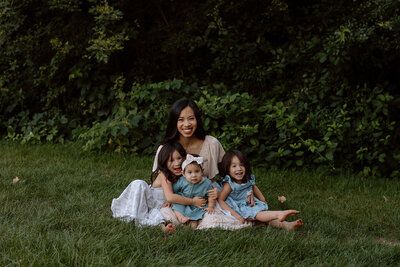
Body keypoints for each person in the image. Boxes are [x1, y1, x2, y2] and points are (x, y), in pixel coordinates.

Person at [154, 98, 251, 230]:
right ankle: (176, 223)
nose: (186, 124)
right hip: (175, 198)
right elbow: (160, 183)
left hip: (206, 196)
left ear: (197, 120)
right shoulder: (166, 149)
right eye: (181, 119)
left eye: (191, 118)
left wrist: (246, 189)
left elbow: (230, 173)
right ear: (174, 122)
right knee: (165, 212)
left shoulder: (211, 144)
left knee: (229, 215)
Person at [111, 142, 192, 232]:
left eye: (179, 158)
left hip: (158, 207)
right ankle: (136, 216)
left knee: (155, 214)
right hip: (147, 200)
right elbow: (170, 197)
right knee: (139, 183)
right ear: (164, 162)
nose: (177, 163)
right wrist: (193, 202)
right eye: (171, 160)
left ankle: (164, 229)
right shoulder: (164, 174)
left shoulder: (184, 176)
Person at [217, 150, 303, 231]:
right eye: (234, 166)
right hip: (238, 206)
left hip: (248, 204)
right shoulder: (229, 184)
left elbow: (254, 187)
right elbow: (221, 200)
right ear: (227, 168)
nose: (239, 169)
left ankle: (287, 225)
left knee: (264, 216)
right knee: (259, 214)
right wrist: (236, 215)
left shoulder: (247, 179)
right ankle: (279, 214)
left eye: (241, 165)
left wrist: (262, 199)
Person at [171, 154, 215, 228]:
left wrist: (211, 206)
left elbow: (211, 195)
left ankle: (193, 223)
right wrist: (169, 201)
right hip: (184, 201)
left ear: (202, 171)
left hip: (198, 204)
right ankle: (181, 218)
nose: (194, 175)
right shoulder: (182, 180)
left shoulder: (206, 183)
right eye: (190, 172)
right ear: (183, 174)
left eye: (197, 171)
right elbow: (173, 190)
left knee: (197, 214)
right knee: (176, 206)